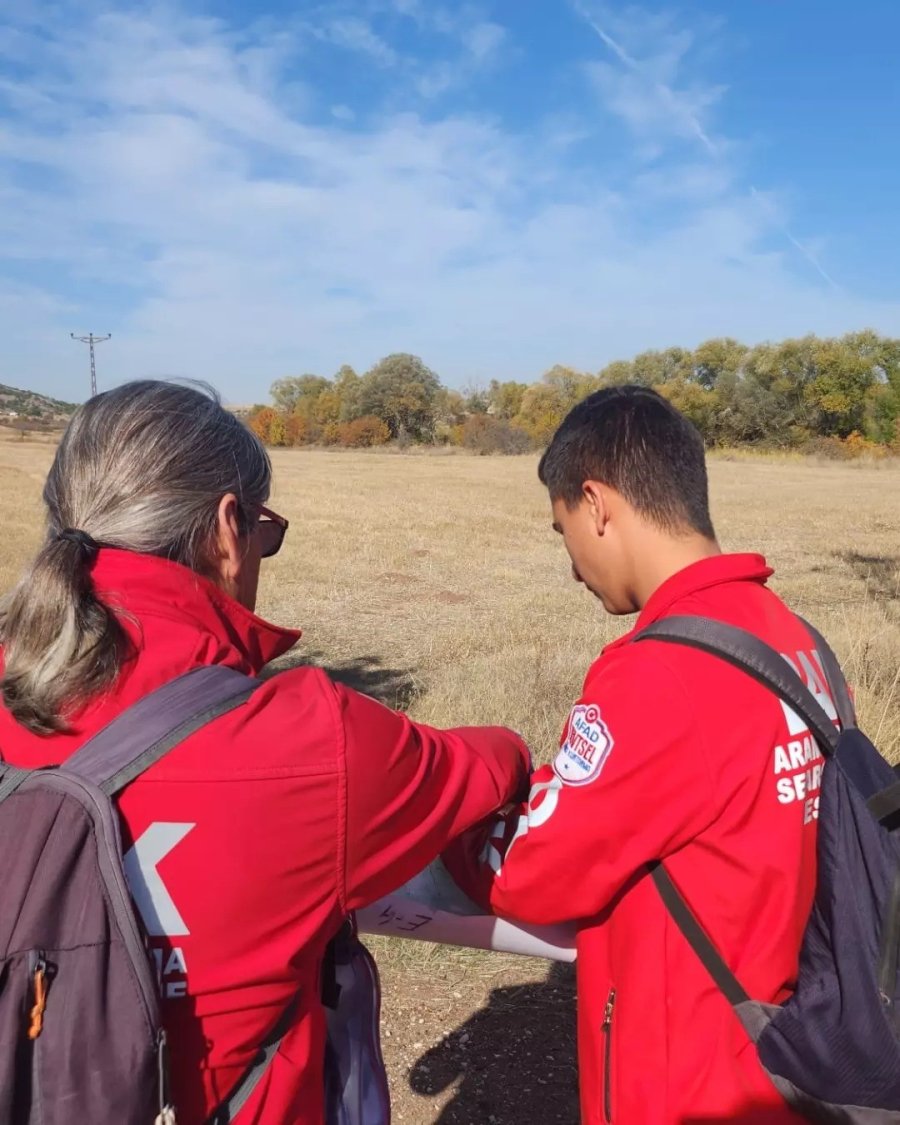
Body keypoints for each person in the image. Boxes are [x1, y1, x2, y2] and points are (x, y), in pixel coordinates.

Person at [0, 380, 530, 1125]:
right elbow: (485, 766)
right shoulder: (312, 739)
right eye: (264, 532)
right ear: (226, 527)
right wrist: (513, 748)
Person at [444, 385, 833, 1124]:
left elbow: (533, 870)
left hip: (688, 1079)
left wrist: (454, 824)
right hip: (797, 1055)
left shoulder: (659, 673)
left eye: (563, 532)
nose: (571, 566)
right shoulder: (794, 639)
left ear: (596, 503)